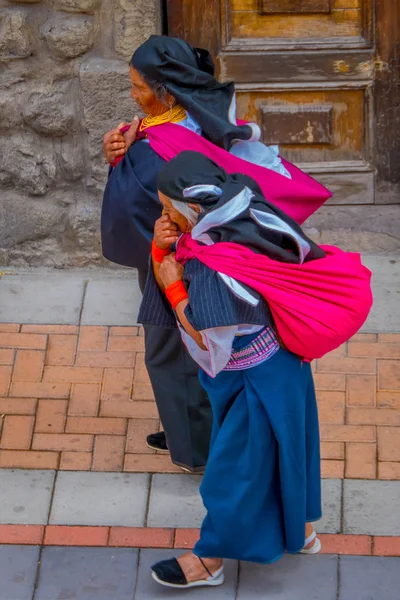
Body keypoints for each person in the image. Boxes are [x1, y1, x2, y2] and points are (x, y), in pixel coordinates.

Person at [101, 35, 331, 472]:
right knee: (198, 351)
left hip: (181, 262)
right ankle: (197, 430)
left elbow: (129, 207)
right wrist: (119, 149)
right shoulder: (203, 122)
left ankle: (197, 451)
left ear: (166, 90)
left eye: (138, 87)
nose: (132, 96)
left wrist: (125, 163)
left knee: (174, 348)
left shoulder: (160, 149)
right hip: (215, 260)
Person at [137, 151, 328, 589]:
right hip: (282, 365)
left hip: (253, 383)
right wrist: (161, 243)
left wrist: (171, 284)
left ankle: (209, 560)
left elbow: (207, 337)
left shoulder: (213, 266)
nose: (165, 216)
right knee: (283, 453)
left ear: (193, 208)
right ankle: (298, 529)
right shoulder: (247, 210)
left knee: (232, 472)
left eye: (170, 209)